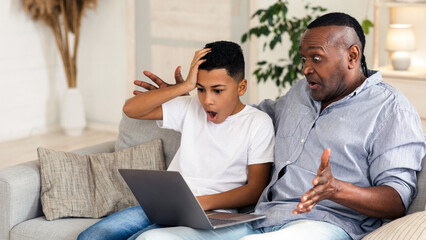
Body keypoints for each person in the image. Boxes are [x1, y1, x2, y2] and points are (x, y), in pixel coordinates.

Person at [131, 12, 426, 240]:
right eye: (304, 58)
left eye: (317, 58)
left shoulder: (391, 110)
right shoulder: (302, 91)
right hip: (262, 219)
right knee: (153, 237)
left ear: (352, 56)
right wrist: (195, 94)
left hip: (325, 223)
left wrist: (337, 189)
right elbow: (249, 115)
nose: (306, 68)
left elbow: (397, 199)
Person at [77, 41, 275, 240]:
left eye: (217, 90)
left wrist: (199, 202)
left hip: (211, 212)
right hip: (164, 204)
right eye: (200, 89)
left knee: (142, 238)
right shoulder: (190, 107)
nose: (207, 100)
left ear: (241, 87)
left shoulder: (258, 123)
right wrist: (184, 87)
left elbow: (255, 190)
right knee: (90, 237)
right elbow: (131, 109)